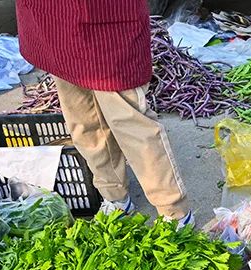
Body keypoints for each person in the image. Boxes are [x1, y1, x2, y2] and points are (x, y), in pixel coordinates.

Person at [15, 0, 190, 221]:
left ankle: (173, 211)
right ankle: (115, 196)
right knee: (82, 120)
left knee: (130, 123)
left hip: (105, 18)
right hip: (53, 18)